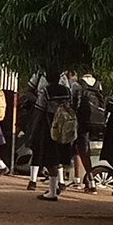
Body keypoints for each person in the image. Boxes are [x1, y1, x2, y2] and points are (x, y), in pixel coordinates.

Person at [36, 69, 76, 202]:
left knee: (50, 159)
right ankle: (58, 185)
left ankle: (52, 192)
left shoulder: (46, 92)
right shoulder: (67, 91)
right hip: (65, 129)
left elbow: (40, 109)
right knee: (60, 158)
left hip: (51, 128)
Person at [70, 70, 105, 193]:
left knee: (82, 150)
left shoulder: (77, 84)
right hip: (96, 121)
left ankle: (90, 182)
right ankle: (88, 181)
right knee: (83, 149)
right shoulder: (98, 84)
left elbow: (72, 104)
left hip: (81, 121)